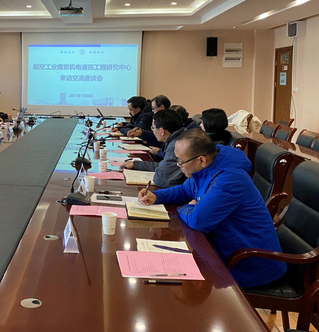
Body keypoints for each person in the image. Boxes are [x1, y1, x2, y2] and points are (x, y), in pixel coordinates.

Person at [138, 129, 286, 288]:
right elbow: (186, 190)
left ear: (201, 160)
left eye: (181, 162)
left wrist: (186, 207)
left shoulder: (230, 179)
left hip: (250, 265)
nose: (178, 165)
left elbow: (198, 220)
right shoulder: (207, 166)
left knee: (173, 280)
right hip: (222, 250)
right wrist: (157, 196)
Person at [119, 109, 187, 187]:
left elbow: (162, 179)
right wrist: (135, 165)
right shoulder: (177, 138)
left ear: (162, 131)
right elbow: (164, 166)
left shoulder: (177, 145)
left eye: (153, 128)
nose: (153, 131)